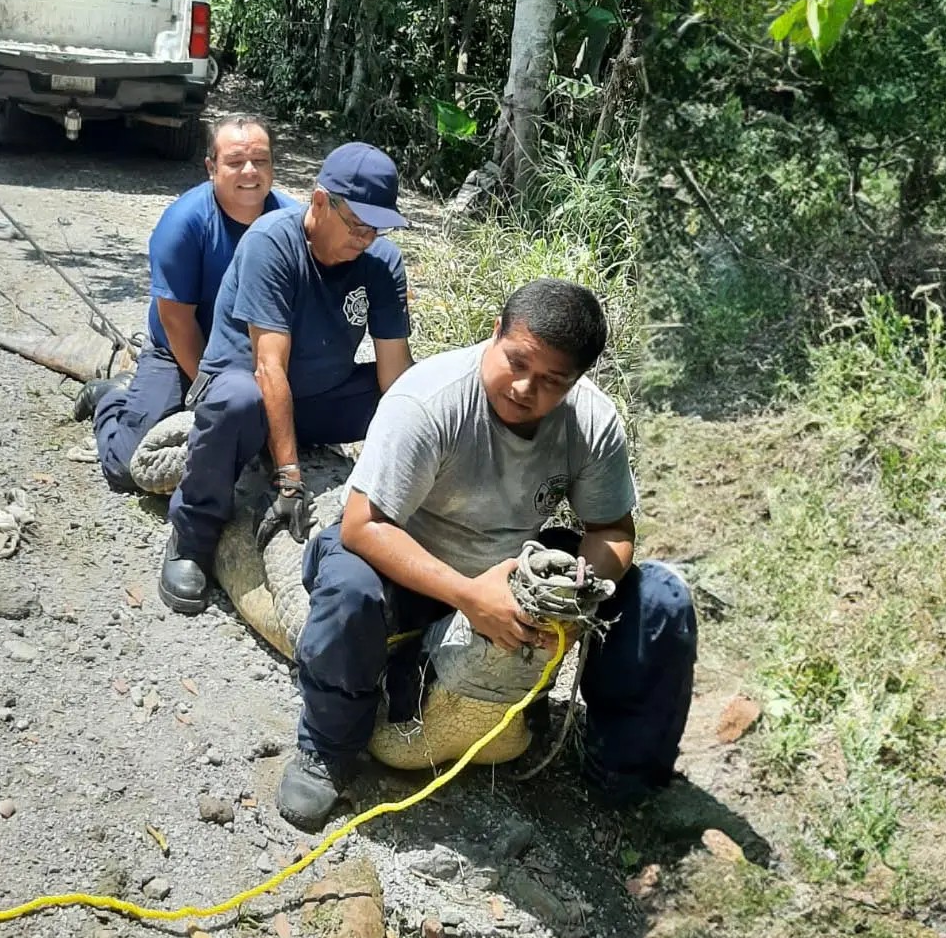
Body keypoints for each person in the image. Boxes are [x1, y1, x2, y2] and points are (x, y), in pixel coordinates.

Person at [272, 278, 697, 831]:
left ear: (577, 380)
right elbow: (363, 525)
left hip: (510, 569)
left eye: (552, 381)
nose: (524, 387)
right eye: (516, 362)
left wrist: (578, 593)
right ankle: (327, 749)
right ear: (495, 333)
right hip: (401, 558)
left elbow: (612, 529)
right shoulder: (429, 400)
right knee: (349, 592)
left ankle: (624, 773)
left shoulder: (592, 422)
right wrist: (470, 598)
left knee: (660, 597)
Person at [159, 143, 415, 615]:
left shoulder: (382, 262)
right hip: (250, 393)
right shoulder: (272, 243)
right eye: (357, 224)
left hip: (319, 398)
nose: (366, 238)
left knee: (411, 400)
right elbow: (269, 367)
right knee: (239, 400)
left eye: (376, 228)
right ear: (320, 201)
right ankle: (192, 535)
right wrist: (291, 482)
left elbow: (396, 374)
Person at [75, 114, 291, 489]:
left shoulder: (291, 222)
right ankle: (110, 398)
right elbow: (176, 322)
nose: (250, 171)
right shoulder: (183, 224)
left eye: (260, 160)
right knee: (126, 468)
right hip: (180, 350)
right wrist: (212, 395)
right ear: (211, 167)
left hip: (258, 352)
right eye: (235, 161)